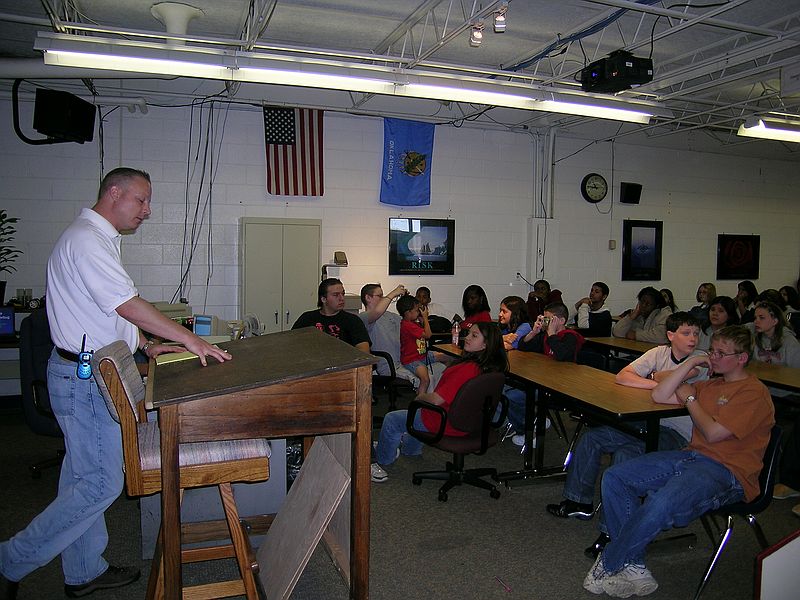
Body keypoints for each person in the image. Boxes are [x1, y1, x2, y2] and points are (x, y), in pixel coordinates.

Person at [0, 168, 231, 600]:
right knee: (100, 483)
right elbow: (127, 304)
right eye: (141, 200)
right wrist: (189, 339)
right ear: (114, 192)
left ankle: (83, 571)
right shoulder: (88, 240)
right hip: (85, 380)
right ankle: (11, 559)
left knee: (80, 479)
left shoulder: (99, 238)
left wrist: (145, 344)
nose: (147, 210)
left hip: (87, 370)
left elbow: (103, 312)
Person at [584, 325, 774, 598]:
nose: (712, 357)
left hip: (728, 472)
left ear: (742, 358)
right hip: (691, 457)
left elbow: (714, 433)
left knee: (660, 502)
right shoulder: (710, 385)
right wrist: (692, 363)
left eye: (720, 353)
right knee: (615, 477)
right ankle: (634, 563)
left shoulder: (753, 392)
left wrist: (691, 398)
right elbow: (659, 395)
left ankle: (610, 562)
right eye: (712, 351)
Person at [548, 313, 707, 560]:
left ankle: (613, 532)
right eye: (686, 333)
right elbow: (624, 376)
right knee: (593, 439)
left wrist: (655, 379)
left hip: (677, 433)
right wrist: (655, 383)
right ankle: (578, 501)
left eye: (696, 333)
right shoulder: (659, 353)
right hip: (646, 420)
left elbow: (677, 390)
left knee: (626, 454)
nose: (693, 338)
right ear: (670, 335)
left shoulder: (701, 361)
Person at [371, 321, 508, 482]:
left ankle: (383, 460)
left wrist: (421, 396)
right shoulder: (489, 368)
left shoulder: (467, 369)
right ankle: (410, 451)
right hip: (473, 423)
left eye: (474, 335)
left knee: (393, 418)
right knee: (415, 413)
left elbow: (436, 400)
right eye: (469, 333)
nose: (467, 337)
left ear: (485, 345)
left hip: (445, 421)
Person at [502, 302, 583, 447]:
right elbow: (523, 347)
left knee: (512, 396)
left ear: (561, 321)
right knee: (503, 388)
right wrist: (534, 332)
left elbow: (562, 355)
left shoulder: (570, 337)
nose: (546, 323)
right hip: (541, 380)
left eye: (549, 319)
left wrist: (551, 334)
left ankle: (527, 432)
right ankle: (534, 419)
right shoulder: (545, 336)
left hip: (559, 386)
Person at [292, 278, 370, 352]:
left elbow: (364, 350)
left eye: (343, 294)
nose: (341, 298)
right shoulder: (307, 319)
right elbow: (291, 343)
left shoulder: (353, 321)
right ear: (323, 299)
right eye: (336, 295)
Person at [397, 294, 449, 394]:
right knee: (425, 379)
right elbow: (428, 335)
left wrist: (422, 320)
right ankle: (420, 400)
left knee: (448, 357)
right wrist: (425, 317)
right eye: (417, 310)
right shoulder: (407, 325)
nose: (419, 312)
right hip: (412, 359)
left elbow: (423, 331)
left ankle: (443, 387)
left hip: (422, 355)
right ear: (408, 312)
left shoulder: (413, 323)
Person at [359, 282, 408, 377]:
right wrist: (393, 293)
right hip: (388, 367)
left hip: (404, 362)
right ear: (368, 298)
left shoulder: (391, 316)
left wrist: (407, 302)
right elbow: (377, 312)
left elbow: (408, 323)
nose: (383, 299)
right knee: (422, 379)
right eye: (379, 296)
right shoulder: (363, 318)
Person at [746, 301, 800, 369]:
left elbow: (797, 372)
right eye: (755, 318)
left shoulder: (790, 342)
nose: (756, 321)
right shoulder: (753, 333)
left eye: (761, 318)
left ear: (775, 321)